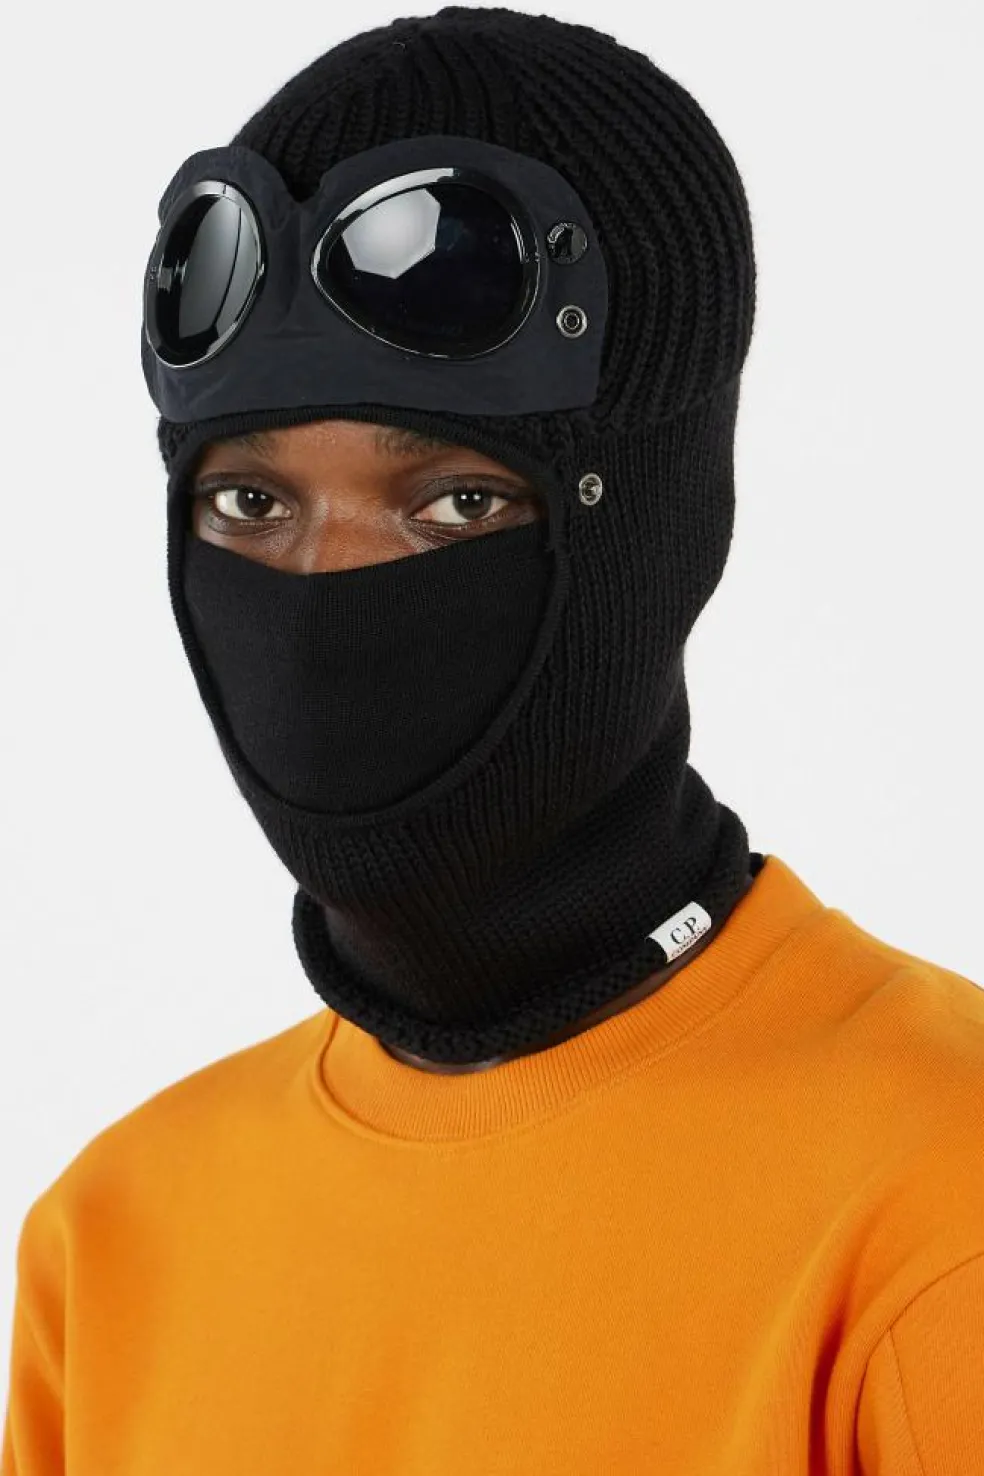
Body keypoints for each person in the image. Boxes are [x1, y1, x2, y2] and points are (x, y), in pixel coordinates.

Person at [2, 7, 981, 1473]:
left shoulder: (940, 1209)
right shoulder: (113, 1241)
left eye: (456, 503)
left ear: (660, 533)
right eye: (250, 503)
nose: (326, 598)